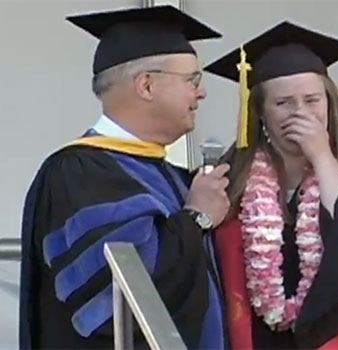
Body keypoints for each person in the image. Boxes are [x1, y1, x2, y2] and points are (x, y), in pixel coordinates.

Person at [19, 6, 230, 349]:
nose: (202, 93)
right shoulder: (79, 173)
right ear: (146, 85)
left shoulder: (170, 176)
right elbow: (116, 297)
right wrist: (196, 219)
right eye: (192, 80)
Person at [204, 21, 338, 350]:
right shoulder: (226, 186)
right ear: (260, 114)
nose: (300, 113)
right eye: (283, 103)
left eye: (312, 100)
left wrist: (322, 155)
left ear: (329, 106)